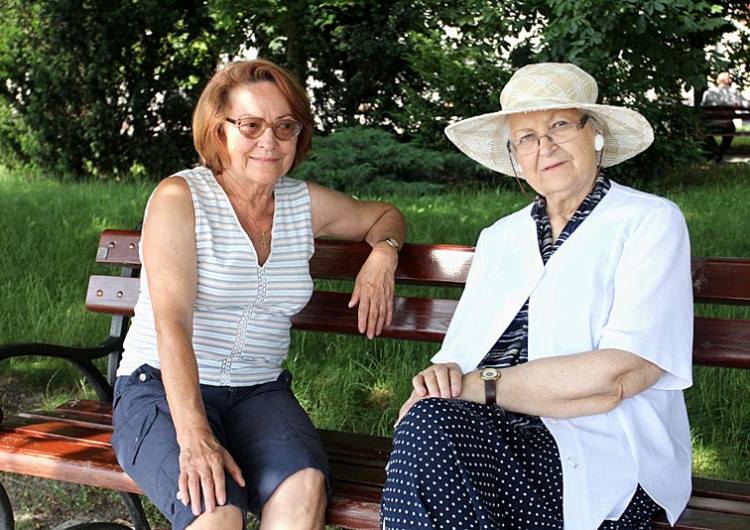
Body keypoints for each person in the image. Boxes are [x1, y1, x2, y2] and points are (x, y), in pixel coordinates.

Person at [380, 62, 693, 530]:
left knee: (429, 437)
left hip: (598, 448)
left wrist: (475, 387)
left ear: (596, 133)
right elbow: (456, 358)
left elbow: (622, 374)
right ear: (515, 158)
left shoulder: (648, 221)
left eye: (560, 125)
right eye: (526, 137)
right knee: (427, 430)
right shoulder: (500, 238)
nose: (544, 147)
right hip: (491, 434)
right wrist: (439, 380)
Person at [111, 58, 406, 530]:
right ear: (217, 129)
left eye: (285, 126)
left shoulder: (302, 203)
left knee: (304, 488)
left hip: (258, 393)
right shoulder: (179, 198)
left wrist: (384, 255)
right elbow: (173, 322)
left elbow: (383, 215)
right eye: (251, 125)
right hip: (162, 392)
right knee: (217, 511)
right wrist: (194, 437)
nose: (269, 140)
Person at [701, 72, 750, 161]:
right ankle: (720, 152)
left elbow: (703, 107)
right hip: (727, 126)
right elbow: (746, 104)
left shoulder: (708, 93)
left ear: (717, 81)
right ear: (729, 81)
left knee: (702, 131)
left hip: (711, 126)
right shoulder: (734, 93)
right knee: (731, 129)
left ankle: (713, 152)